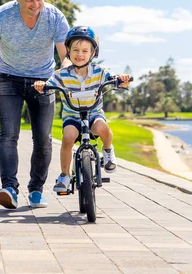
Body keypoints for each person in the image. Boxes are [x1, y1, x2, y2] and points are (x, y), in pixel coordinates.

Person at [0, 0, 70, 209]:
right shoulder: (1, 17)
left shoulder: (54, 17)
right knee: (9, 134)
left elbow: (66, 56)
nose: (35, 5)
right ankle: (9, 188)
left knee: (43, 138)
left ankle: (36, 190)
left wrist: (63, 77)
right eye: (29, 0)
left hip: (43, 80)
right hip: (8, 78)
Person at [33, 26, 131, 193]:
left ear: (93, 53)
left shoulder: (99, 72)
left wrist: (121, 80)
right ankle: (65, 175)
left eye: (85, 50)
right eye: (75, 50)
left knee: (103, 129)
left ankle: (107, 151)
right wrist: (42, 86)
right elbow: (49, 84)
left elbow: (114, 79)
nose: (80, 54)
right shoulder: (61, 74)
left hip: (94, 114)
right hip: (72, 116)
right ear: (68, 51)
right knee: (68, 137)